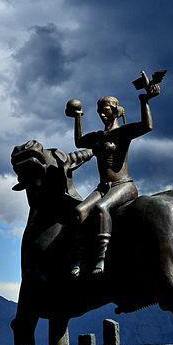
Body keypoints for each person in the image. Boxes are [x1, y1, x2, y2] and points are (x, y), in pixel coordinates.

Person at [65, 80, 160, 279]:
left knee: (101, 208)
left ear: (115, 109)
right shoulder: (99, 136)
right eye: (99, 110)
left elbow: (147, 126)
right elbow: (79, 141)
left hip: (123, 185)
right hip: (103, 186)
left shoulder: (123, 133)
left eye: (105, 109)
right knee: (79, 211)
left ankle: (101, 256)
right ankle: (78, 258)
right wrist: (78, 117)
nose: (101, 113)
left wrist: (145, 101)